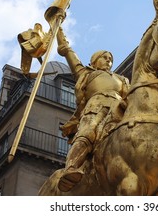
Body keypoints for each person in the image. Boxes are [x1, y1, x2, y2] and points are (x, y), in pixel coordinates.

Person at [56, 28, 130, 192]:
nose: (108, 61)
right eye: (104, 57)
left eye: (110, 59)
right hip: (96, 107)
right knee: (88, 133)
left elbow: (131, 97)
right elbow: (67, 50)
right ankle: (71, 167)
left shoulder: (121, 79)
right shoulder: (86, 73)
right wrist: (58, 30)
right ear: (94, 61)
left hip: (119, 110)